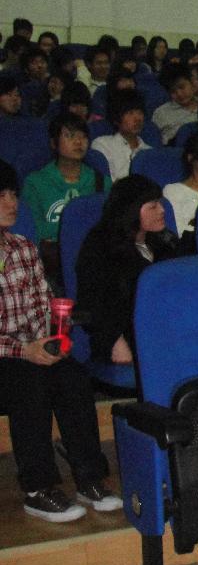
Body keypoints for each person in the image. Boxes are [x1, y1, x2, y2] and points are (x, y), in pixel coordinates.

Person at [0, 159, 122, 522]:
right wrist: (24, 351)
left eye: (12, 194)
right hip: (9, 356)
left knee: (71, 376)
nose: (11, 203)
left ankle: (90, 478)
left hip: (29, 349)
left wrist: (52, 340)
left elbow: (41, 305)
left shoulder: (22, 247)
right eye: (1, 196)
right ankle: (38, 489)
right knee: (28, 381)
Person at [76, 175, 180, 367]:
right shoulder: (100, 246)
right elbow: (91, 303)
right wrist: (115, 340)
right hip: (122, 334)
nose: (162, 210)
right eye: (153, 206)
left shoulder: (166, 240)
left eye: (160, 203)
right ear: (131, 210)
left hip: (167, 329)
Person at [22, 113, 111, 279]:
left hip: (94, 260)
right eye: (70, 136)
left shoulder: (101, 182)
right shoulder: (35, 182)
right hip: (54, 265)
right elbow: (35, 228)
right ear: (53, 143)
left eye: (83, 136)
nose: (78, 141)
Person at [91, 90, 151, 181]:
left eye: (140, 112)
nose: (137, 118)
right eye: (130, 113)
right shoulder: (103, 144)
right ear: (116, 119)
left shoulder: (149, 151)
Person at [153, 64, 198, 144]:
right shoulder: (161, 113)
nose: (179, 94)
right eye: (173, 91)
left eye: (182, 87)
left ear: (192, 83)